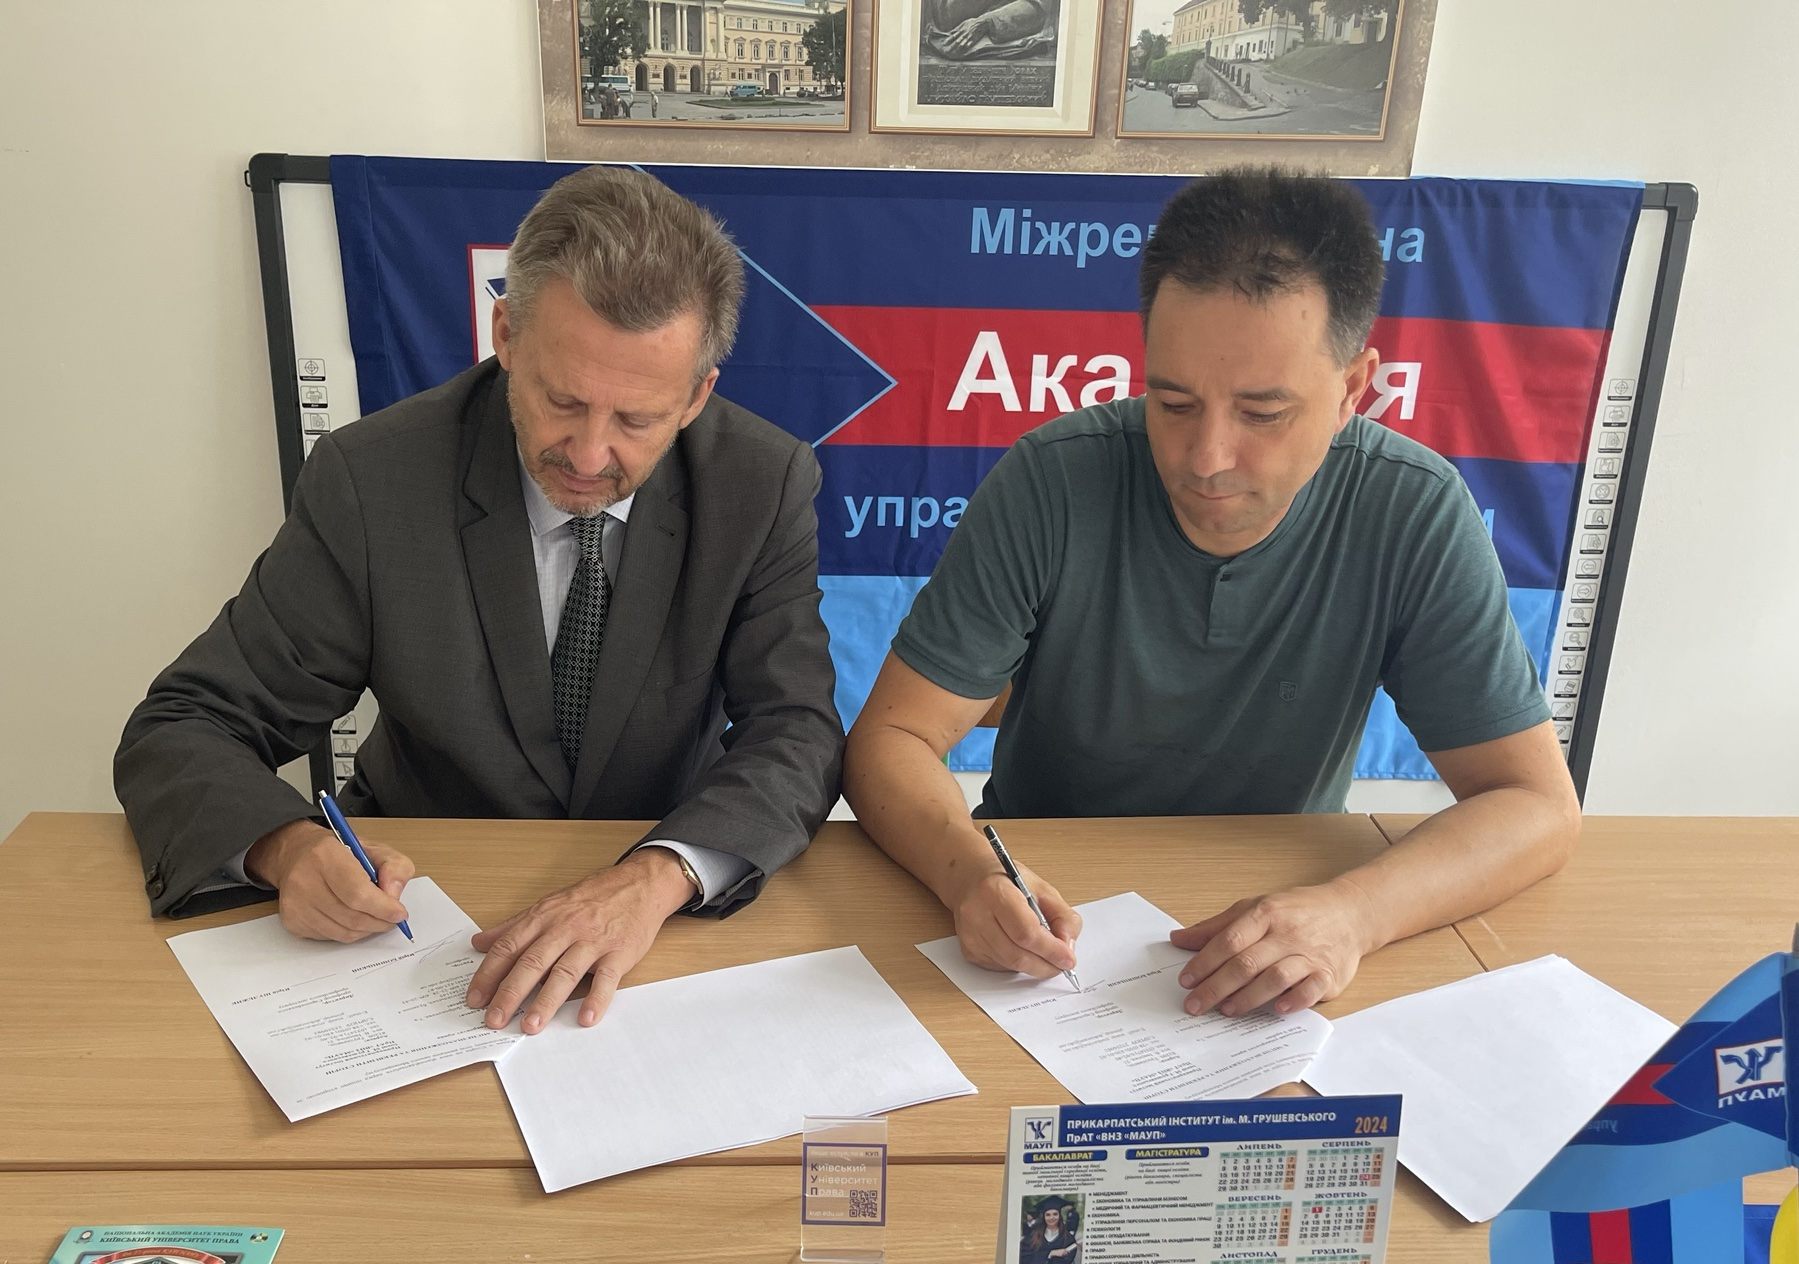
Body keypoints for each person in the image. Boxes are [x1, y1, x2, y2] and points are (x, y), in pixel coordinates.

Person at [116, 165, 843, 1036]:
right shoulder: (373, 480)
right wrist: (286, 846)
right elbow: (188, 723)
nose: (589, 454)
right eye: (562, 399)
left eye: (636, 420)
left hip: (658, 918)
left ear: (696, 396)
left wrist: (660, 874)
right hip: (416, 913)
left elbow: (794, 729)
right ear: (505, 335)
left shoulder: (760, 482)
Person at [843, 166, 1579, 1021]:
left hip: (1289, 904)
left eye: (1262, 414)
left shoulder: (1411, 508)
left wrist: (1354, 914)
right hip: (1053, 910)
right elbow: (891, 737)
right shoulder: (1054, 479)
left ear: (1352, 389)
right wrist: (968, 872)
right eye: (1173, 402)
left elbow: (1533, 805)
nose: (1206, 459)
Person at [1019, 1197, 1079, 1264]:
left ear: (1060, 1216)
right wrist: (1050, 1253)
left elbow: (1067, 1259)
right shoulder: (1033, 1236)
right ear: (1044, 1217)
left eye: (1055, 1214)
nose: (1051, 1217)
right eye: (1048, 1215)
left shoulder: (1068, 1238)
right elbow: (1024, 1256)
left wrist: (1041, 1256)